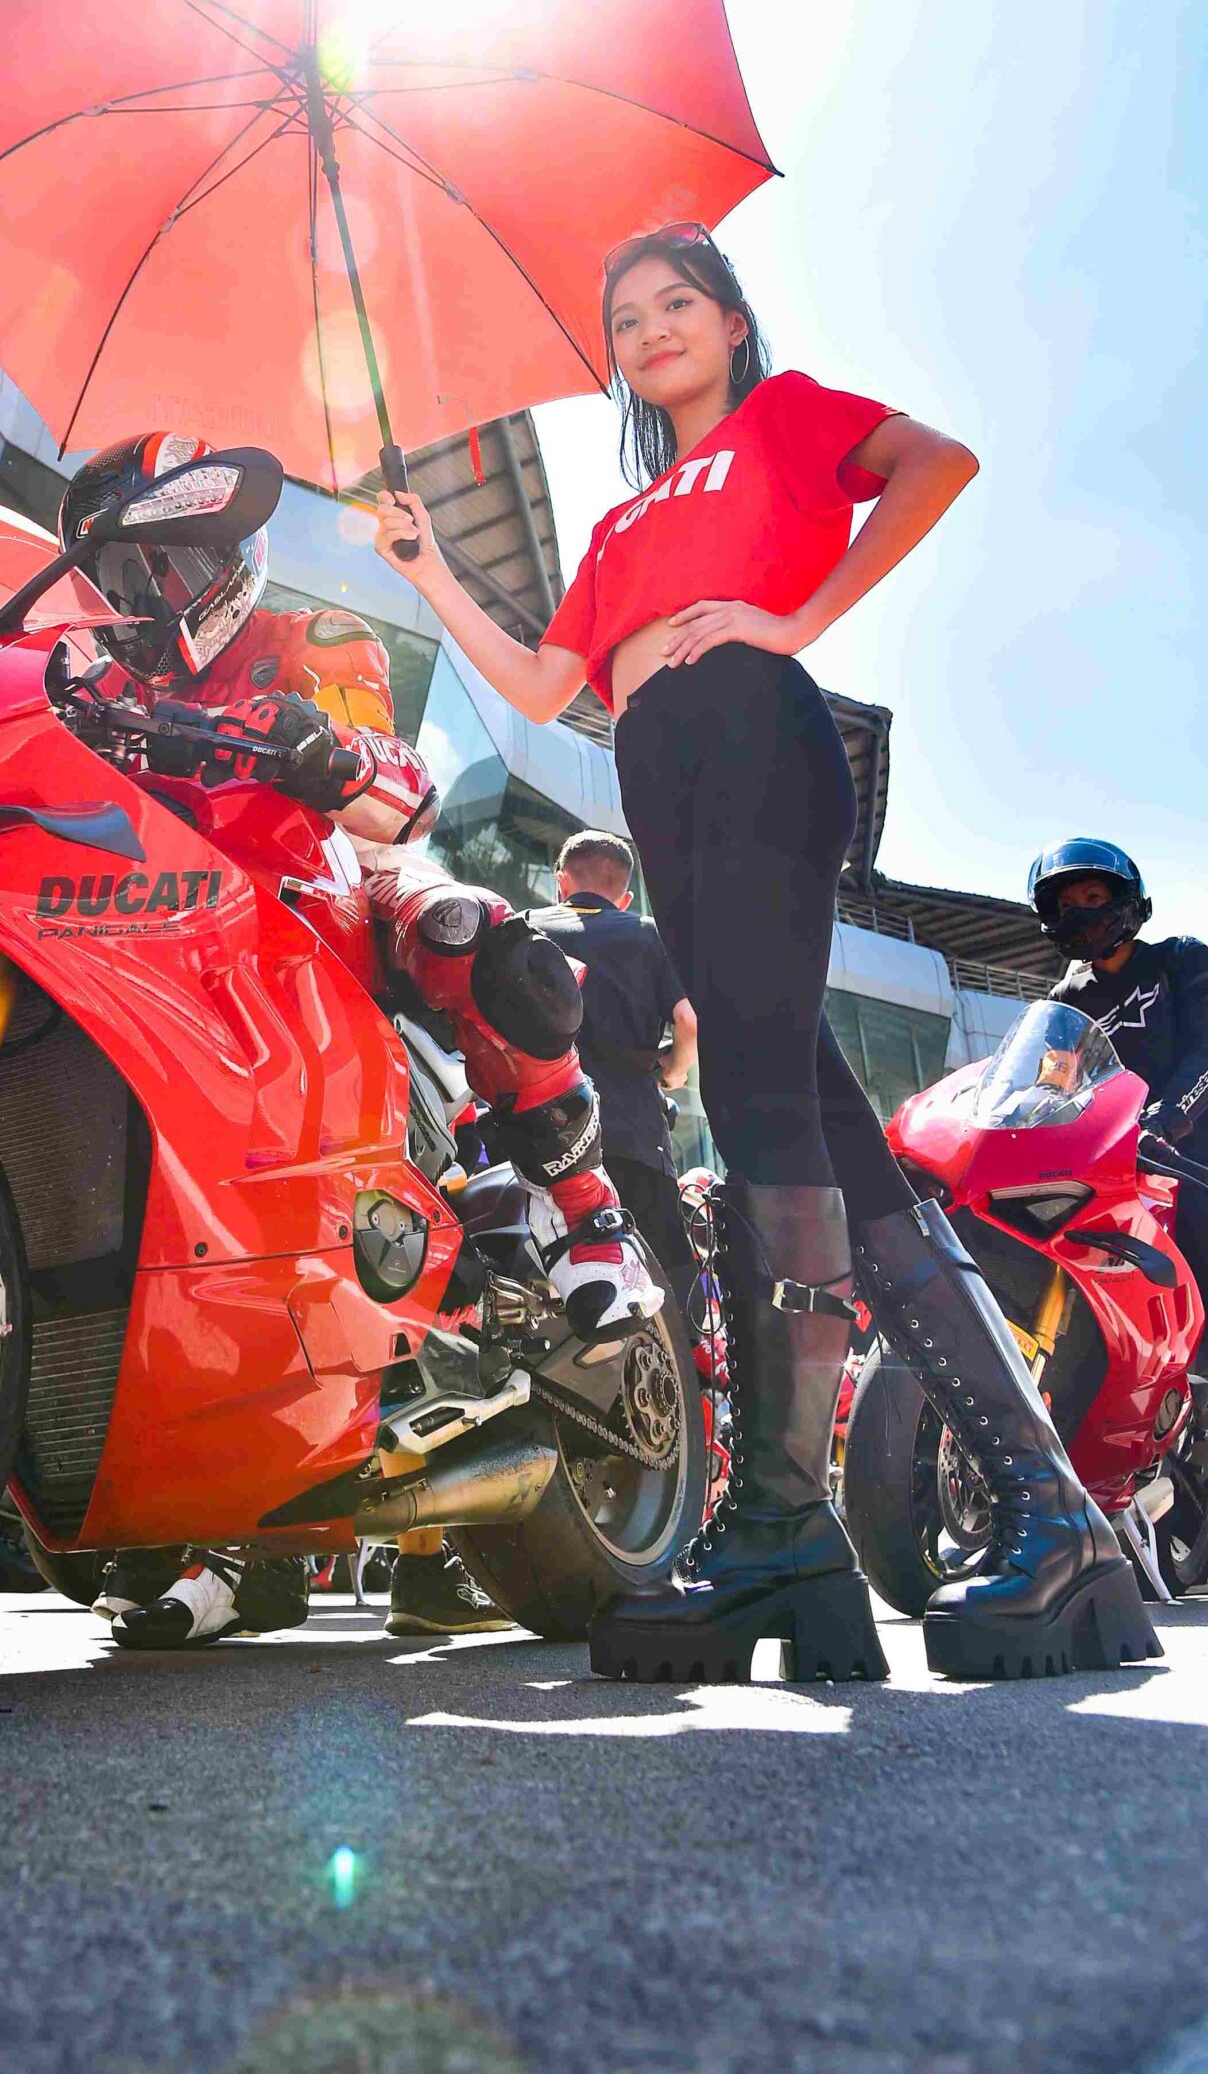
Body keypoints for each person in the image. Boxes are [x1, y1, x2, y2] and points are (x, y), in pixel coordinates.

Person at [375, 222, 1154, 1685]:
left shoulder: (785, 420)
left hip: (752, 734)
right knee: (818, 1120)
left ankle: (789, 1524)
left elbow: (937, 464)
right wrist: (425, 565)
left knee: (754, 1102)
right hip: (662, 780)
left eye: (678, 302)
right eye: (627, 318)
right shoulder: (619, 525)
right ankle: (1052, 1518)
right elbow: (540, 683)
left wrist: (795, 620)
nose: (651, 330)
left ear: (732, 323)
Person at [53, 431, 657, 1646]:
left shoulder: (313, 639)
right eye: (125, 578)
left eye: (171, 566)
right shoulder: (93, 680)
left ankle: (592, 1218)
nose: (149, 599)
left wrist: (324, 750)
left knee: (464, 926)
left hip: (315, 891)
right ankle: (231, 1542)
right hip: (151, 934)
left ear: (231, 555)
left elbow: (398, 793)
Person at [1030, 839, 1208, 1293]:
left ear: (1125, 899)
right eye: (1066, 906)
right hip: (1121, 1167)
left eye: (1092, 897)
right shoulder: (1065, 1001)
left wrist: (1166, 1117)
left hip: (1191, 1156)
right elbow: (1054, 1085)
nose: (1079, 913)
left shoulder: (1180, 958)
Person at [531, 830, 699, 1304]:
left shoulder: (524, 927)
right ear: (624, 896)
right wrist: (674, 1071)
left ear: (561, 882)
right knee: (665, 1284)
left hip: (539, 1133)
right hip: (633, 1135)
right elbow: (689, 1020)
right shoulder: (648, 932)